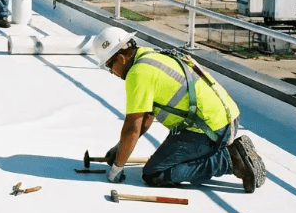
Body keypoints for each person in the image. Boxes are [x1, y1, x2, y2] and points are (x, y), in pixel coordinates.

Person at [92, 27, 267, 192]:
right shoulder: (150, 55)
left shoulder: (137, 74)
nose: (112, 72)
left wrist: (116, 169)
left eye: (109, 66)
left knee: (154, 174)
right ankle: (227, 151)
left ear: (120, 59)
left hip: (209, 130)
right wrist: (120, 149)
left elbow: (132, 127)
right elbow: (146, 118)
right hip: (226, 119)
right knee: (165, 162)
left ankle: (229, 160)